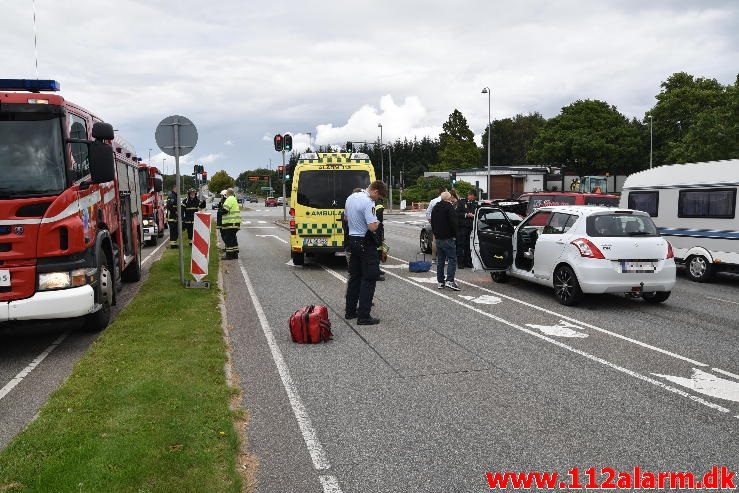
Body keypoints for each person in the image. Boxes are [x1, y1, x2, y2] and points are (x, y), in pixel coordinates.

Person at [344, 180, 387, 325]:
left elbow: (346, 218)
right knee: (369, 278)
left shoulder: (351, 197)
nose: (377, 199)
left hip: (352, 241)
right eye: (379, 197)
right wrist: (378, 223)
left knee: (354, 277)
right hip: (365, 242)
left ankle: (350, 311)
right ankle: (364, 315)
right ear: (375, 191)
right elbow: (372, 227)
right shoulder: (368, 202)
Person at [431, 191, 460, 291]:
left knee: (441, 260)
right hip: (448, 237)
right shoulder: (449, 207)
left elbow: (432, 222)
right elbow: (454, 222)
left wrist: (435, 233)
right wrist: (455, 234)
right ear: (449, 198)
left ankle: (440, 282)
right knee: (452, 259)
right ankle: (450, 280)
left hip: (438, 237)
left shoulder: (435, 207)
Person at [425, 186, 447, 262]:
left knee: (435, 241)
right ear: (444, 192)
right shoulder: (447, 201)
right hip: (445, 224)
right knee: (445, 241)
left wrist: (431, 221)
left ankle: (434, 258)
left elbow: (428, 212)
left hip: (435, 224)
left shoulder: (433, 201)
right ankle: (445, 259)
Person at [456, 191, 477, 268]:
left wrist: (474, 215)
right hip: (462, 227)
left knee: (468, 245)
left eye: (472, 195)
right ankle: (460, 263)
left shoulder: (475, 204)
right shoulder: (461, 202)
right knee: (460, 245)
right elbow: (457, 213)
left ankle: (467, 262)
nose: (470, 196)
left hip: (470, 227)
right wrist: (466, 215)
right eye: (469, 195)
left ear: (474, 197)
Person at [220, 188, 241, 260]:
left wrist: (220, 211)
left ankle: (229, 255)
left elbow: (225, 210)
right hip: (236, 223)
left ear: (227, 194)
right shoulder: (234, 199)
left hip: (230, 223)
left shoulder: (229, 199)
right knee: (233, 238)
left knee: (228, 239)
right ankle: (235, 254)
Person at [375, 201, 386, 281]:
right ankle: (376, 272)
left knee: (377, 250)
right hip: (376, 231)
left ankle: (377, 270)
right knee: (377, 251)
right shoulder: (379, 205)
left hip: (375, 230)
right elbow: (379, 218)